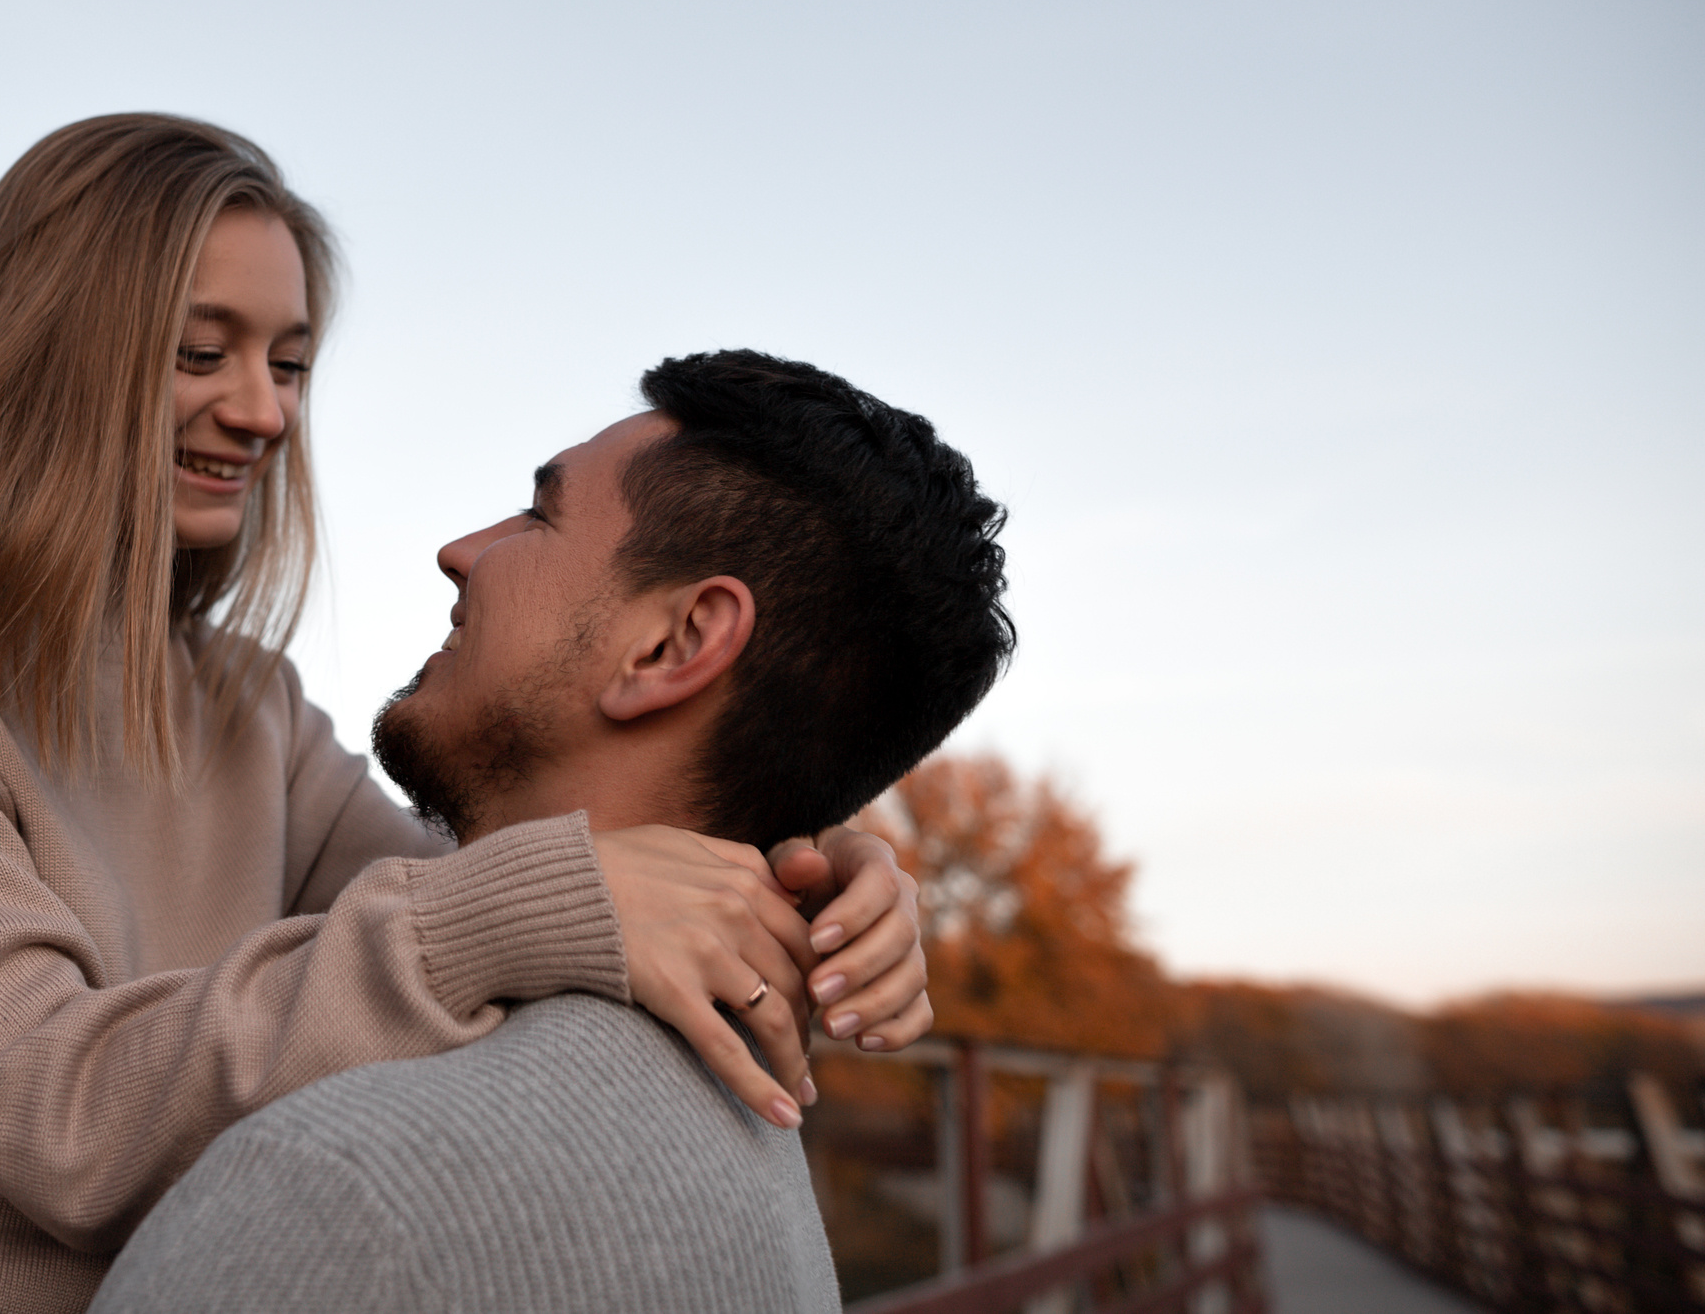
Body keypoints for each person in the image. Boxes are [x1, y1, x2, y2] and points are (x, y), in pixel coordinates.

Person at [0, 117, 935, 1314]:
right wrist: (533, 906)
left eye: (291, 363)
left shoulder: (241, 701)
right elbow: (49, 1105)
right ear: (49, 354)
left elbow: (497, 895)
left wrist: (795, 858)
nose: (263, 410)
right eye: (204, 351)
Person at [91, 349, 1014, 1314]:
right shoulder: (745, 1132)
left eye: (539, 516)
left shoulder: (337, 1189)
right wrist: (806, 853)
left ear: (672, 645)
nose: (461, 547)